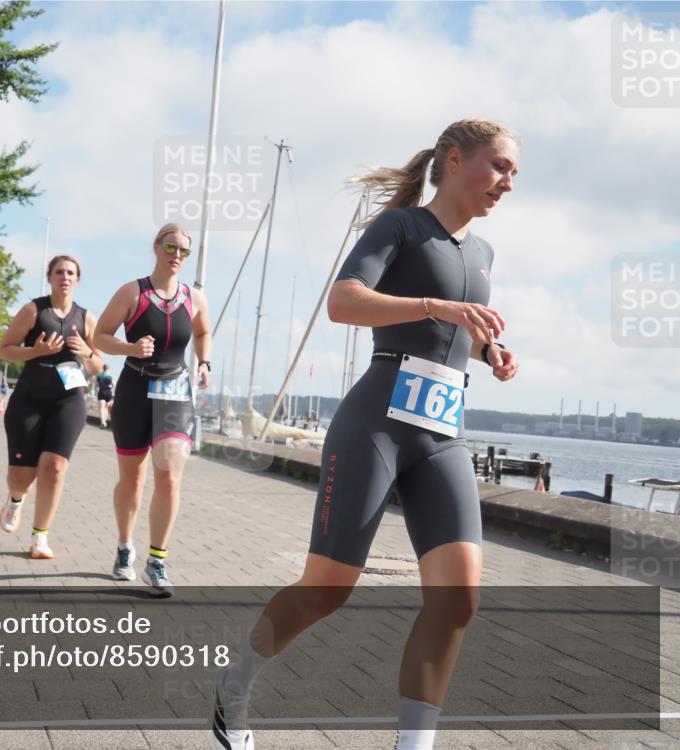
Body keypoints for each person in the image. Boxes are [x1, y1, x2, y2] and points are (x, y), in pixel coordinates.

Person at [210, 119, 521, 750]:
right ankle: (234, 687)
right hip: (377, 423)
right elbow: (344, 302)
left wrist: (489, 352)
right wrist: (436, 307)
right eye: (499, 166)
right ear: (453, 160)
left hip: (442, 433)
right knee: (327, 590)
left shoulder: (484, 253)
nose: (508, 182)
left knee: (458, 600)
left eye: (514, 173)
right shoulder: (400, 227)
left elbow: (457, 330)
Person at [93, 223, 212, 596]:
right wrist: (130, 348)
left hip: (175, 389)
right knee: (132, 480)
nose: (176, 255)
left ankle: (156, 561)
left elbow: (203, 332)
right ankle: (124, 547)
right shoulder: (133, 292)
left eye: (183, 250)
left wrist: (205, 362)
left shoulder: (194, 298)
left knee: (170, 475)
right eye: (170, 247)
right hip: (135, 388)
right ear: (157, 247)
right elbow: (99, 336)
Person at [0, 255, 103, 559]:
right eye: (59, 272)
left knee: (54, 467)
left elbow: (98, 365)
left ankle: (40, 537)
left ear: (77, 280)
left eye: (70, 273)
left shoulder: (87, 318)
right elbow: (5, 350)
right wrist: (36, 351)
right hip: (28, 400)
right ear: (49, 277)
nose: (65, 277)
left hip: (68, 400)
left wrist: (86, 353)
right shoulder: (33, 310)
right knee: (21, 477)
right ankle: (16, 498)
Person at [95, 364, 114, 428]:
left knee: (101, 407)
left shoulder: (99, 376)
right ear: (108, 369)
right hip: (108, 392)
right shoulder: (110, 376)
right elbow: (113, 385)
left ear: (103, 368)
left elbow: (96, 385)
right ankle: (105, 421)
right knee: (106, 407)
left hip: (101, 392)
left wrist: (96, 391)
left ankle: (103, 422)